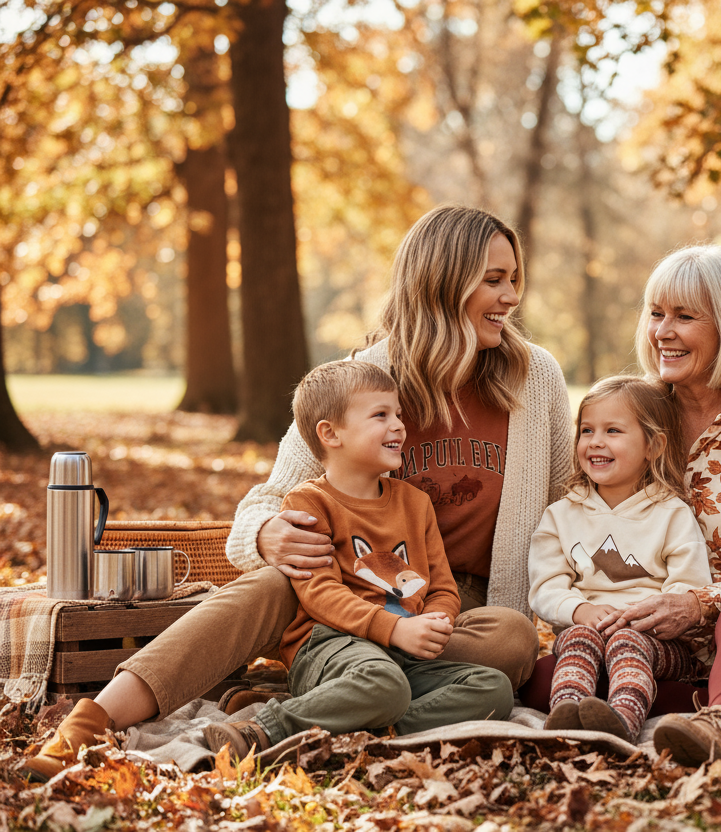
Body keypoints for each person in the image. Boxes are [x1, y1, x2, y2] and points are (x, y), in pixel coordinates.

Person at [25, 205, 571, 781]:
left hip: (448, 612)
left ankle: (308, 703)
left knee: (510, 640)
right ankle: (93, 720)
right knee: (268, 583)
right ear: (442, 284)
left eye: (514, 279)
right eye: (493, 280)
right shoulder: (361, 379)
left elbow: (568, 505)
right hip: (336, 594)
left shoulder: (535, 378)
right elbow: (264, 501)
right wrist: (267, 534)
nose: (512, 296)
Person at [520, 245, 721, 766]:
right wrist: (593, 614)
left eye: (684, 317)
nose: (662, 331)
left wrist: (698, 604)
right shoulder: (633, 410)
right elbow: (582, 521)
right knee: (551, 677)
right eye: (656, 314)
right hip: (654, 641)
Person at [204, 361, 513, 757]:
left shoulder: (416, 503)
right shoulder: (309, 502)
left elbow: (440, 586)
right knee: (384, 683)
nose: (399, 425)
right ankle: (262, 729)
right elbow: (320, 593)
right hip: (331, 645)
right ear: (331, 433)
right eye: (381, 415)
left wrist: (434, 620)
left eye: (398, 414)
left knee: (494, 688)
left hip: (402, 654)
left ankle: (364, 727)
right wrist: (393, 628)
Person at [529, 375, 712, 743]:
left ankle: (622, 722)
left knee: (627, 642)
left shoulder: (670, 513)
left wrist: (644, 618)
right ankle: (567, 719)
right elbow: (546, 587)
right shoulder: (561, 515)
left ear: (652, 446)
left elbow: (689, 584)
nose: (596, 441)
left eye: (612, 430)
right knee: (578, 640)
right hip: (588, 635)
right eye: (586, 430)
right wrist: (580, 610)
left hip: (658, 642)